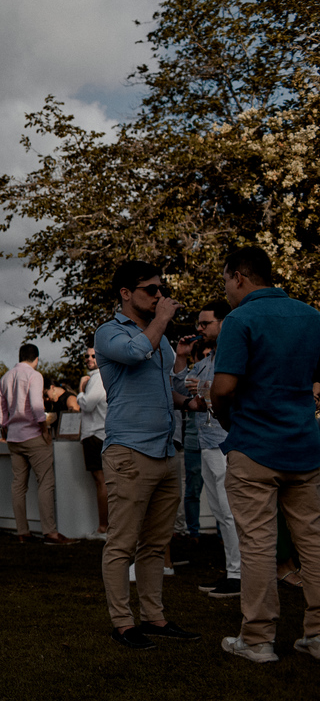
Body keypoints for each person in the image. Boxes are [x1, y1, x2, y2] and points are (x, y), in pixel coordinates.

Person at [210, 246, 320, 663]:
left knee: (256, 545)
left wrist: (227, 421)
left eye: (225, 280)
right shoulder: (312, 316)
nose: (226, 289)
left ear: (239, 277)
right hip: (305, 447)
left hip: (255, 446)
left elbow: (222, 389)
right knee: (313, 542)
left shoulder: (241, 319)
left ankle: (257, 640)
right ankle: (318, 634)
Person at [95, 259, 200, 650]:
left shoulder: (163, 340)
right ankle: (122, 623)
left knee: (156, 544)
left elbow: (164, 384)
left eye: (161, 289)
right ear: (126, 293)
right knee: (122, 543)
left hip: (165, 449)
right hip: (130, 451)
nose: (160, 295)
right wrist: (161, 320)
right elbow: (138, 353)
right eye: (150, 289)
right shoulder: (109, 333)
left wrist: (189, 403)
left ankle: (154, 618)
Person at [172, 301, 241, 600]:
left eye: (205, 323)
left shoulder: (235, 353)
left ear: (223, 323)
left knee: (230, 512)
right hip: (207, 443)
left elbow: (236, 390)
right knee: (221, 513)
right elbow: (178, 383)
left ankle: (239, 575)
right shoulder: (209, 357)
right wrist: (180, 357)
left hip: (227, 442)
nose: (199, 329)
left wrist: (203, 387)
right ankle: (233, 571)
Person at [0, 344, 75, 545]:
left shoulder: (5, 378)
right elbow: (36, 405)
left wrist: (5, 426)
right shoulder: (34, 375)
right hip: (32, 435)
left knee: (18, 485)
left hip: (13, 437)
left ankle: (23, 531)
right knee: (46, 482)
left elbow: (0, 409)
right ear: (36, 359)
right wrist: (45, 429)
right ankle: (50, 532)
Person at [78, 346, 109, 540]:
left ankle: (104, 528)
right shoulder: (101, 376)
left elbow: (88, 403)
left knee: (101, 482)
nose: (89, 359)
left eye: (94, 356)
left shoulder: (98, 378)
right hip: (99, 433)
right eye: (87, 356)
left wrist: (80, 390)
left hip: (96, 434)